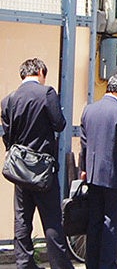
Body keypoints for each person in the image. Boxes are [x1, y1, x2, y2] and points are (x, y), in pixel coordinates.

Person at [1, 58, 74, 269]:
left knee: (22, 219)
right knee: (51, 219)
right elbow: (59, 124)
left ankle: (24, 263)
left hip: (20, 169)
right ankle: (59, 265)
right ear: (41, 72)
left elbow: (7, 135)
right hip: (42, 168)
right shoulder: (47, 93)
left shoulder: (9, 99)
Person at [80, 71, 117, 269]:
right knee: (112, 221)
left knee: (95, 220)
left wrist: (84, 169)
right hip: (115, 175)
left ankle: (92, 263)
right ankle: (107, 264)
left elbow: (84, 144)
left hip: (94, 173)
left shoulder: (89, 110)